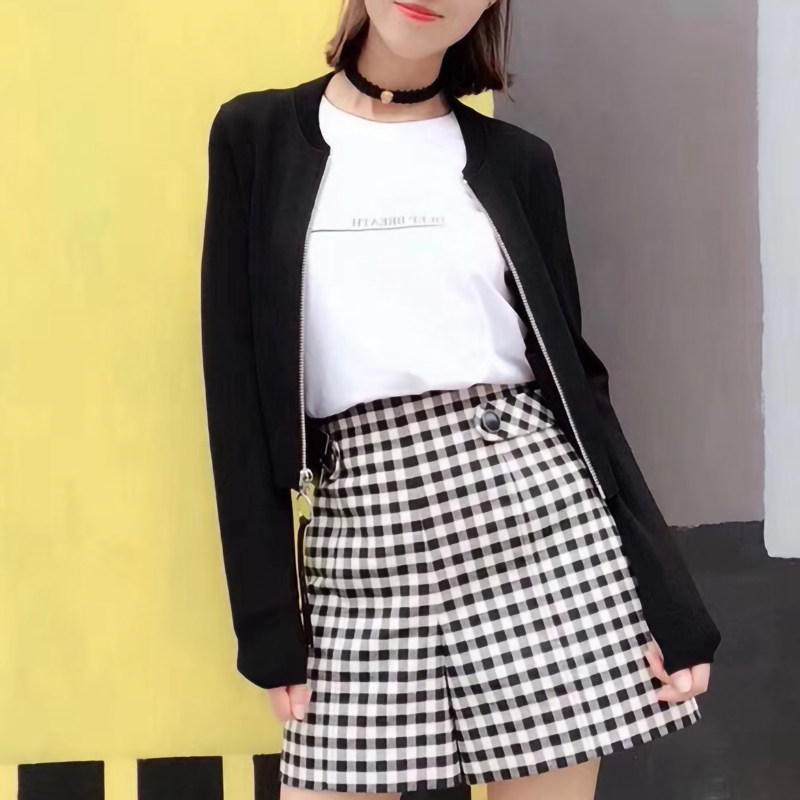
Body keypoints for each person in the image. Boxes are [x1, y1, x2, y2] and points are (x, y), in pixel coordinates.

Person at [199, 1, 722, 796]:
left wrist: (671, 598)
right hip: (361, 533)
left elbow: (577, 388)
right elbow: (234, 387)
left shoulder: (517, 162)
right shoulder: (257, 137)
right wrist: (267, 617)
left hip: (536, 529)